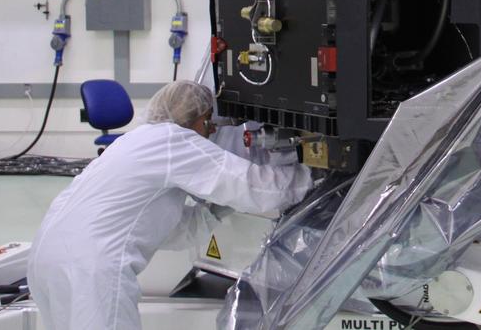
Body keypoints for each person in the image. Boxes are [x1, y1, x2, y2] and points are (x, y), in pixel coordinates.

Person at [28, 80, 313, 330]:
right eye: (208, 122)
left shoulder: (135, 141)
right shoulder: (174, 141)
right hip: (91, 270)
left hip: (47, 259)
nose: (212, 131)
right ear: (195, 118)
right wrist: (310, 174)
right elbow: (250, 185)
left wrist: (214, 211)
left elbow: (166, 227)